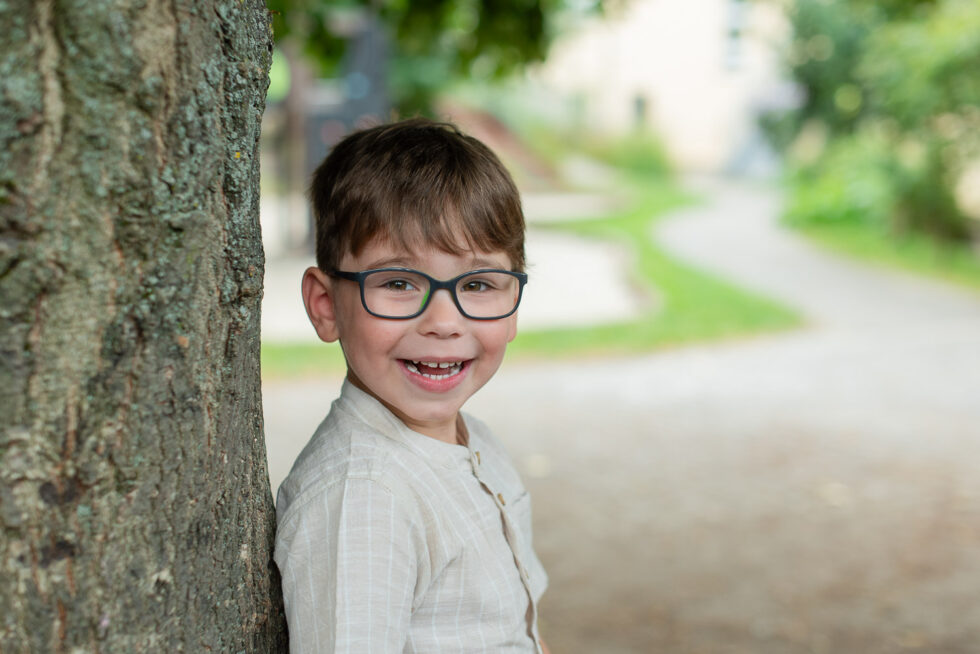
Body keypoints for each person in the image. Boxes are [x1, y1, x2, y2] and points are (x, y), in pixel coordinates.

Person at [274, 118, 550, 653]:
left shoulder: (475, 441)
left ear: (514, 304)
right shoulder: (364, 498)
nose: (444, 321)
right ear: (326, 306)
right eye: (399, 282)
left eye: (477, 284)